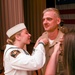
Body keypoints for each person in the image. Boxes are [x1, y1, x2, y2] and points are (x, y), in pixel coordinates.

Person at [37, 8, 64, 75]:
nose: (45, 22)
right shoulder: (40, 40)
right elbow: (36, 64)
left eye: (49, 19)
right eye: (43, 19)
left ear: (58, 21)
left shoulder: (65, 40)